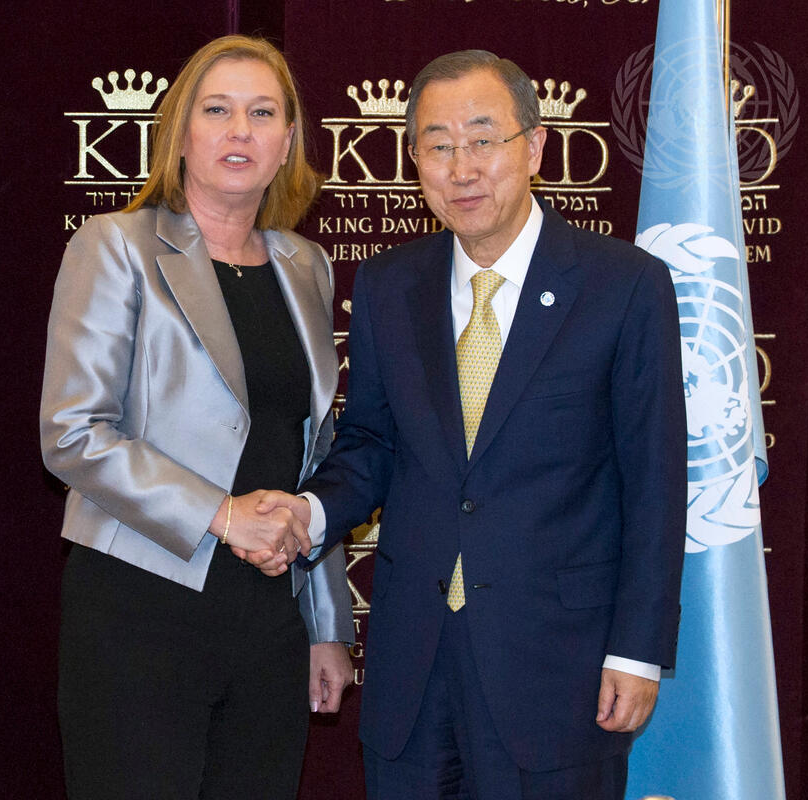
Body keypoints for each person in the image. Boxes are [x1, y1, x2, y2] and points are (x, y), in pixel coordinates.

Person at [256, 50, 687, 799]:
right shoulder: (390, 283)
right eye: (439, 145)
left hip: (559, 667)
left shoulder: (623, 285)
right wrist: (309, 513)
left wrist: (637, 652)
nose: (462, 169)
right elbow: (372, 444)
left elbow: (654, 483)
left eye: (483, 139)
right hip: (413, 666)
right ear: (415, 160)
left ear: (535, 147)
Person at [40, 35, 355, 800]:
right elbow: (73, 432)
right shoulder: (116, 246)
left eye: (262, 113)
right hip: (138, 607)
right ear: (180, 134)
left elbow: (312, 456)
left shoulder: (306, 266)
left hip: (271, 621)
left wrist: (326, 626)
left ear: (288, 141)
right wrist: (222, 514)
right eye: (217, 110)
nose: (240, 130)